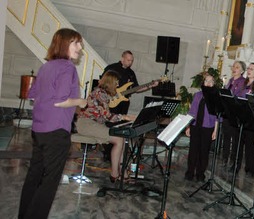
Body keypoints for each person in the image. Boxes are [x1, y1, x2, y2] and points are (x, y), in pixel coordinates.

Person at [19, 28, 88, 219]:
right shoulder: (67, 68)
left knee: (34, 177)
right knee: (49, 182)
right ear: (64, 44)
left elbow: (32, 95)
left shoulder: (46, 66)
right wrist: (80, 102)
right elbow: (61, 100)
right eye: (76, 43)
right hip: (56, 131)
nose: (80, 48)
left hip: (39, 130)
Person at [76, 71, 135, 182]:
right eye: (116, 82)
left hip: (93, 124)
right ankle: (115, 174)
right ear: (111, 82)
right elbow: (107, 116)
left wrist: (123, 118)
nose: (117, 85)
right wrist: (125, 117)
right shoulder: (100, 94)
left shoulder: (103, 93)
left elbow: (104, 117)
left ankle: (123, 172)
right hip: (87, 124)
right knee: (118, 139)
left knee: (121, 138)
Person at [184, 73, 219, 181]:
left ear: (214, 84)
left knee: (204, 152)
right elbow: (192, 112)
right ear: (203, 83)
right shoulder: (198, 95)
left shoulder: (216, 97)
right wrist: (188, 127)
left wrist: (215, 131)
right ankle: (190, 172)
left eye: (211, 81)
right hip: (195, 125)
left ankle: (200, 174)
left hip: (208, 127)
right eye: (206, 81)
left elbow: (218, 116)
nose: (208, 83)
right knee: (193, 150)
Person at [234, 62, 254, 176]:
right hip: (241, 115)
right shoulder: (243, 83)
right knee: (238, 142)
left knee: (249, 143)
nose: (249, 70)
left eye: (252, 69)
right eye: (248, 68)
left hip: (252, 117)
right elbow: (237, 96)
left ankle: (250, 168)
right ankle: (236, 165)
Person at [102, 50, 156, 114]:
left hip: (124, 102)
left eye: (132, 61)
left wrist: (151, 85)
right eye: (128, 60)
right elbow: (102, 82)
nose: (130, 62)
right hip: (111, 99)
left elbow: (136, 88)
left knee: (122, 121)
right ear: (122, 59)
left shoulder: (131, 73)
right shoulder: (111, 68)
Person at [221, 61, 246, 168]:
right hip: (227, 112)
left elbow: (240, 96)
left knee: (235, 138)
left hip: (235, 114)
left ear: (242, 71)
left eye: (237, 67)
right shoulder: (230, 81)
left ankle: (233, 160)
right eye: (233, 67)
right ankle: (224, 157)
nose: (234, 69)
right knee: (226, 136)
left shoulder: (243, 82)